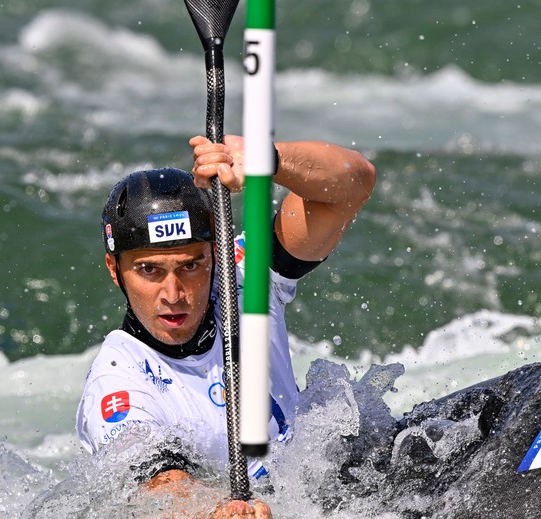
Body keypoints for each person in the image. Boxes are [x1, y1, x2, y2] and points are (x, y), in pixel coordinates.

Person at [76, 135, 375, 518]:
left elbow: (354, 185)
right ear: (114, 269)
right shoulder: (117, 382)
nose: (173, 293)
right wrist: (220, 512)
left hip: (341, 488)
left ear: (216, 255)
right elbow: (161, 487)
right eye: (149, 270)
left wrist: (269, 159)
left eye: (190, 266)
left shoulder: (241, 277)